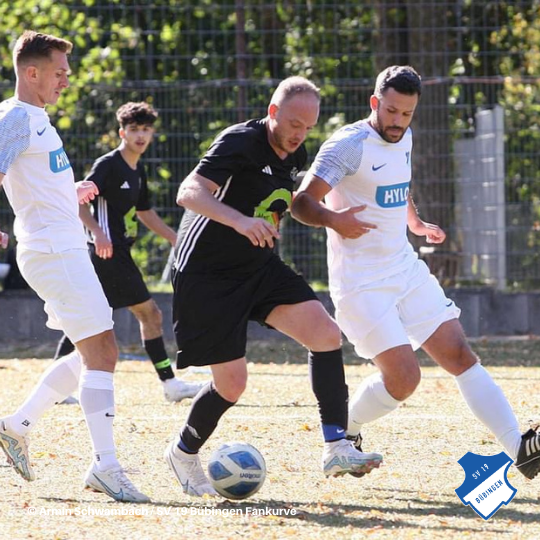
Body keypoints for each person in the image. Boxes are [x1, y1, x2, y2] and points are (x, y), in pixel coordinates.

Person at [291, 65, 540, 481]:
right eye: (391, 111)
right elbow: (302, 203)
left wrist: (415, 222)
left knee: (459, 355)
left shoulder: (403, 135)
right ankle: (345, 431)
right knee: (405, 379)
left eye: (407, 114)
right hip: (361, 283)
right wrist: (335, 220)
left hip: (404, 267)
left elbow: (396, 184)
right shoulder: (348, 145)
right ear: (375, 103)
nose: (398, 121)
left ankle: (520, 449)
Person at [163, 76, 383, 498]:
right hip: (207, 275)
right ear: (273, 112)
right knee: (232, 385)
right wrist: (240, 221)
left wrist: (332, 218)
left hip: (259, 266)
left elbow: (294, 203)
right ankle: (183, 451)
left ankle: (336, 445)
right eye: (294, 123)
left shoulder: (295, 152)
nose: (300, 134)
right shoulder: (240, 141)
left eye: (308, 127)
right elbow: (188, 192)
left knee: (325, 334)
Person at [0, 30, 148, 502]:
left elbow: (33, 179)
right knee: (103, 353)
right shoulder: (16, 118)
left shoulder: (35, 118)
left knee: (94, 351)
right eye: (60, 72)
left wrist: (71, 191)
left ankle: (17, 425)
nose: (67, 80)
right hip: (53, 252)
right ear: (32, 72)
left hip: (60, 249)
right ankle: (106, 466)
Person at [54, 101, 204, 403]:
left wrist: (175, 238)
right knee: (149, 313)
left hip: (117, 254)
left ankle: (57, 388)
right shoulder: (109, 165)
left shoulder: (138, 169)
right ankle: (170, 383)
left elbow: (145, 212)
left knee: (88, 320)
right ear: (122, 132)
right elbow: (78, 200)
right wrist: (97, 233)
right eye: (134, 129)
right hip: (107, 256)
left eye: (146, 129)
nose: (140, 135)